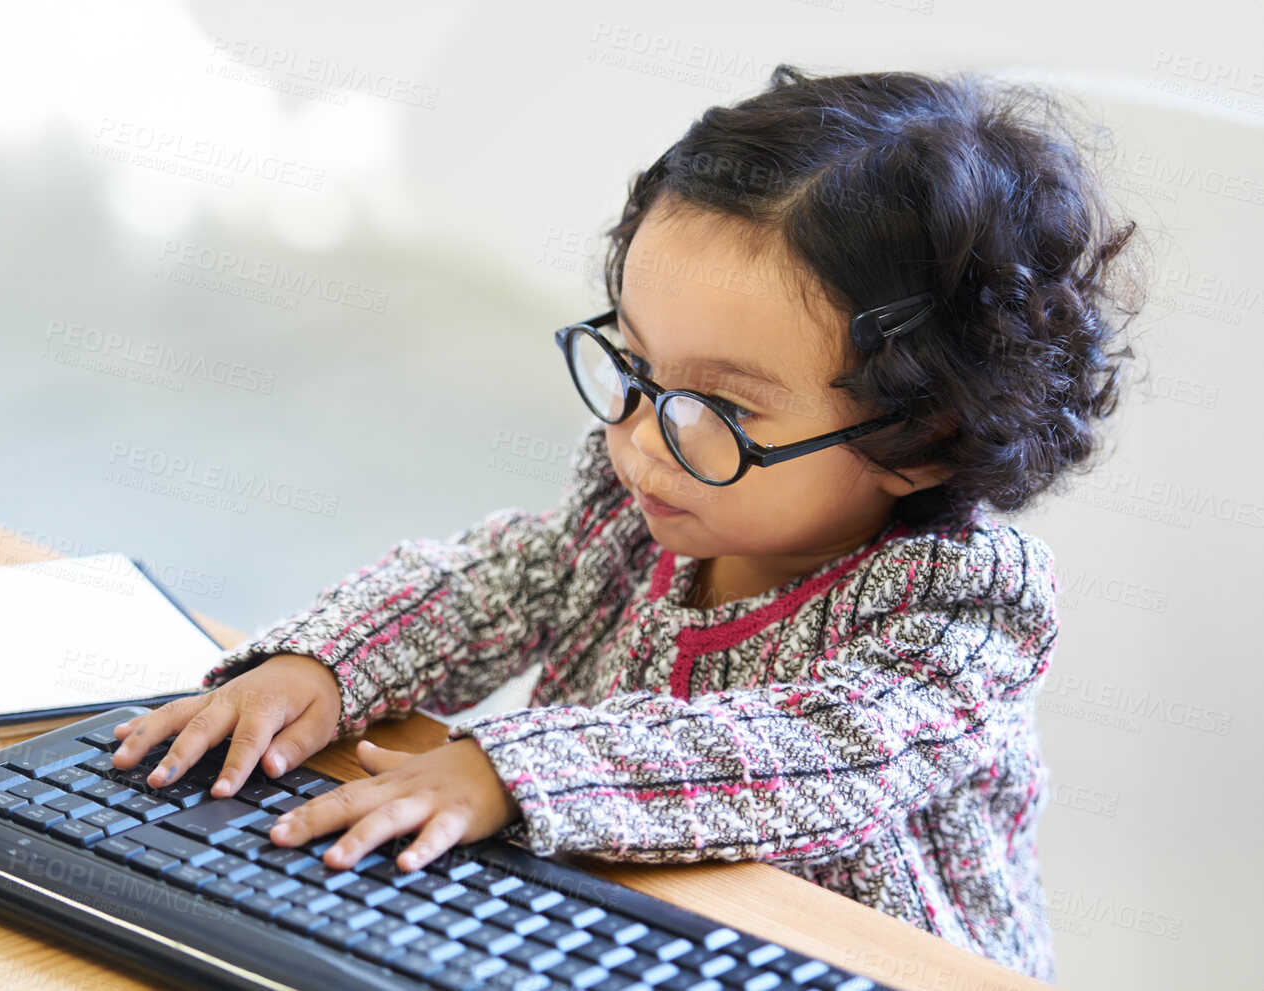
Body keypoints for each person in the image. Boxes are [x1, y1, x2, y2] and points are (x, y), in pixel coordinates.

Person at [109, 64, 1141, 980]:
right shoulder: (641, 511)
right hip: (605, 935)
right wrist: (325, 666)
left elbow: (821, 748)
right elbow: (495, 580)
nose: (643, 441)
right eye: (636, 369)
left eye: (720, 409)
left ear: (921, 434)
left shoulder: (965, 608)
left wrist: (511, 769)